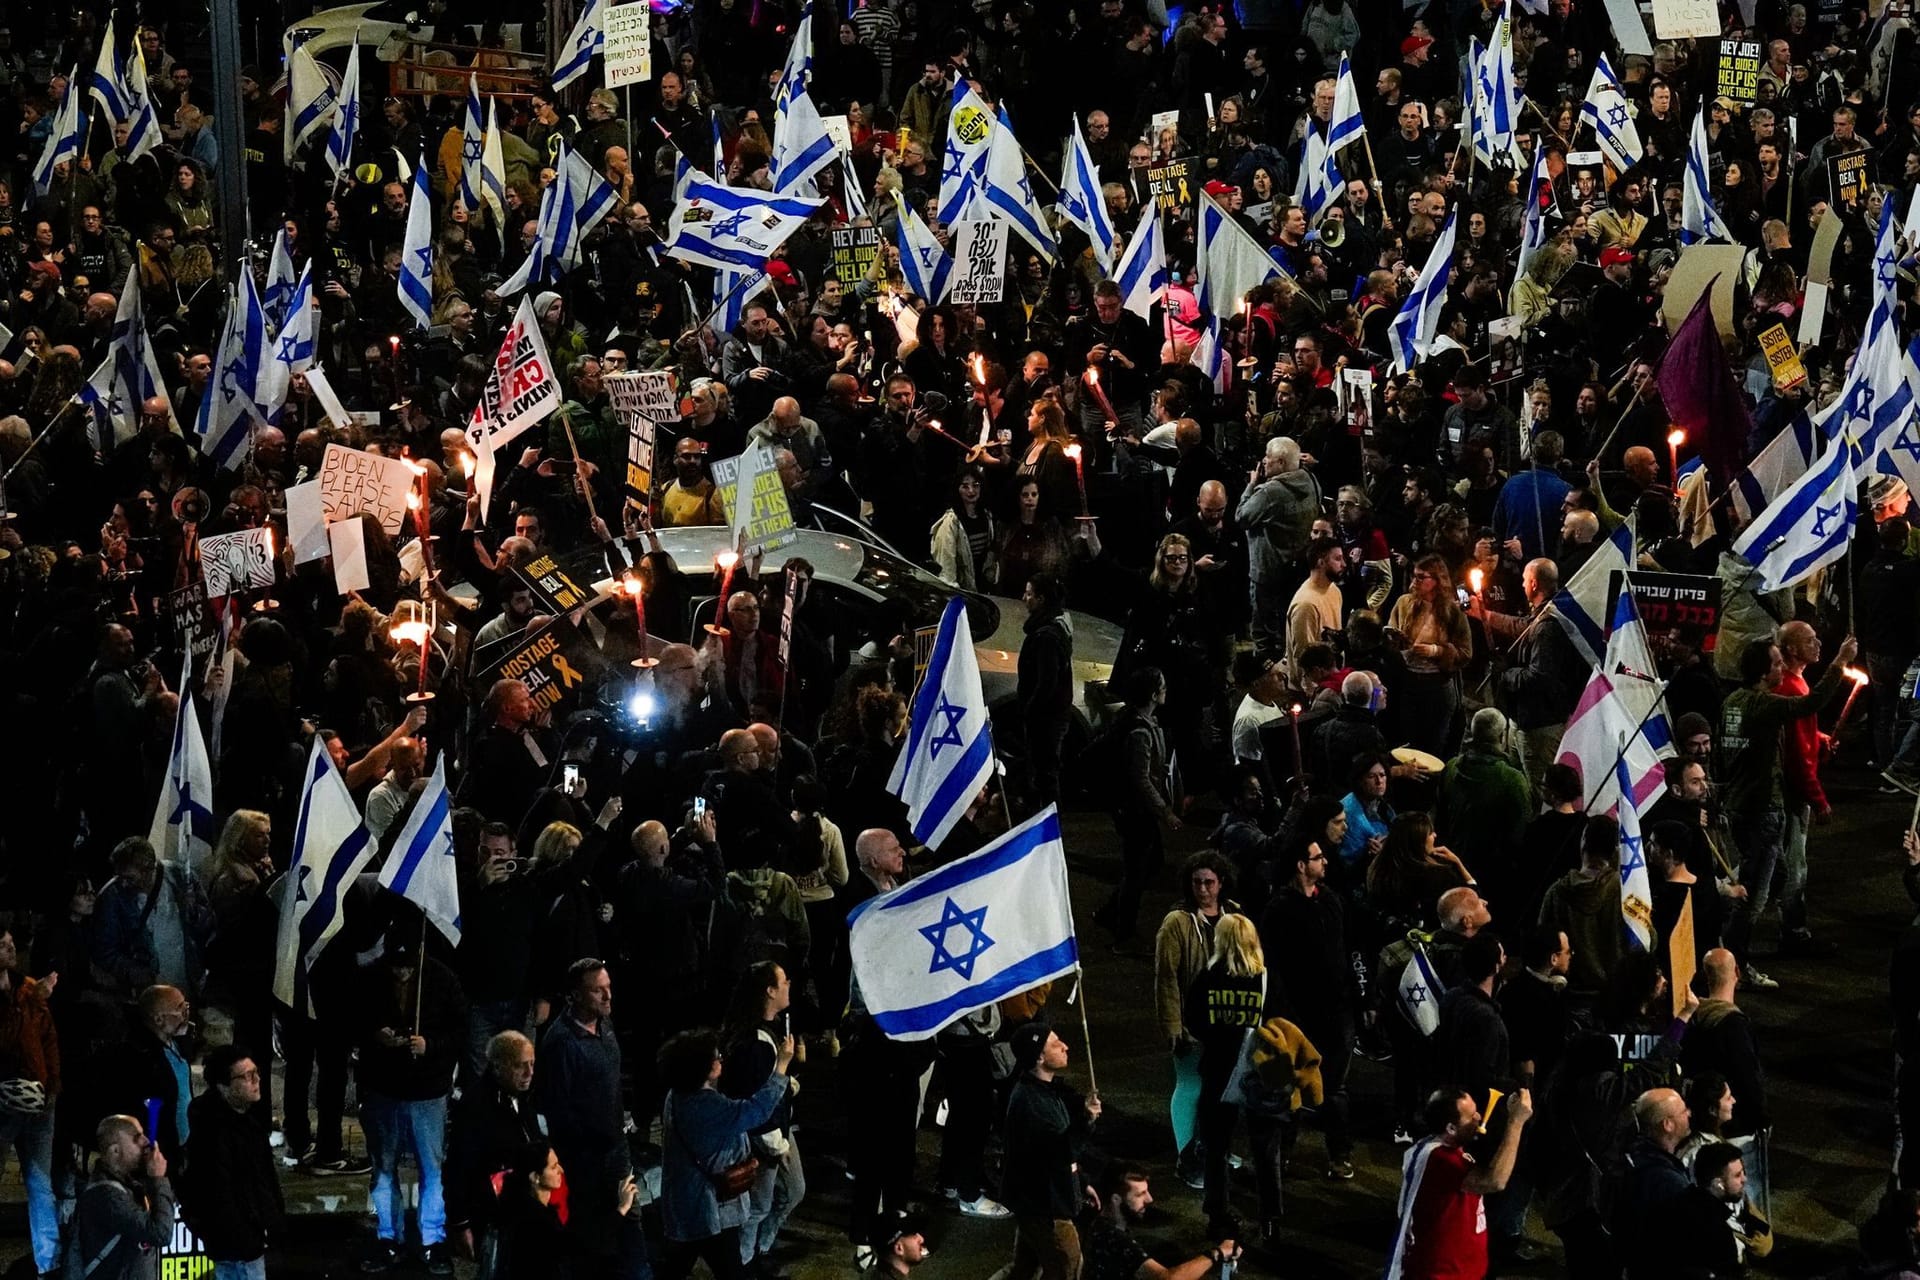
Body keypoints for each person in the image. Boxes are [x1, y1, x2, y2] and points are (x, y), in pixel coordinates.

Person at [1720, 633, 1857, 986]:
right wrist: (1840, 662)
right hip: (1763, 810)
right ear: (1764, 673)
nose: (1782, 667)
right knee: (1755, 895)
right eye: (1777, 663)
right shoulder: (1764, 704)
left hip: (1739, 805)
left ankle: (1724, 921)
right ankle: (1736, 963)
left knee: (1773, 875)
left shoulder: (1732, 702)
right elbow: (1810, 704)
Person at [355, 933, 464, 1274]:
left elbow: (460, 1029)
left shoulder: (443, 979)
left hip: (427, 1090)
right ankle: (390, 1238)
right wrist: (375, 1035)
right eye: (396, 967)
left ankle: (432, 1240)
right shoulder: (371, 977)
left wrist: (429, 1045)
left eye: (407, 967)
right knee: (383, 1168)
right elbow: (354, 1021)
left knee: (431, 1169)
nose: (401, 974)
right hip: (383, 1087)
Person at [658, 1027, 795, 1280]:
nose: (720, 1059)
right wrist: (781, 1067)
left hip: (688, 1205)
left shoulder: (676, 1096)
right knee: (727, 1270)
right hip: (708, 1208)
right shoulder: (705, 1105)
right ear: (701, 1067)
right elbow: (755, 1112)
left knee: (678, 1265)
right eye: (715, 1057)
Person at [1185, 914, 1289, 1238]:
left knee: (1216, 1147)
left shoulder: (1206, 978)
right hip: (1264, 1071)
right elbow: (1284, 1025)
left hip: (1219, 1067)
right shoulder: (1267, 979)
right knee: (1266, 1147)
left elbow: (1194, 1022)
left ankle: (1217, 1214)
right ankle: (1271, 1217)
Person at [1387, 1088, 1533, 1280]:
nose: (1479, 1117)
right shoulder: (1438, 1160)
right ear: (1451, 1128)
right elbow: (1494, 1181)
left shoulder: (1452, 1150)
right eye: (1471, 1116)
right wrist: (1516, 1123)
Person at [719, 962, 806, 1272]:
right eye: (783, 980)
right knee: (758, 1206)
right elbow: (756, 1103)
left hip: (779, 1129)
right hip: (764, 1139)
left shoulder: (772, 1027)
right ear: (769, 991)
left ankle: (762, 1246)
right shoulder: (755, 1044)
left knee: (794, 1190)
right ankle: (746, 1260)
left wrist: (787, 1078)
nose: (789, 984)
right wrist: (776, 1146)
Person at [1001, 1021, 1102, 1280]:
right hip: (1046, 1206)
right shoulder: (1032, 1104)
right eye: (1056, 1044)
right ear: (1039, 1057)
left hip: (1036, 1201)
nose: (1065, 1046)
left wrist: (1080, 1182)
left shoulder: (1042, 1092)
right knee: (1066, 1265)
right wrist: (1087, 1121)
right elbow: (1060, 1152)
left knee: (1026, 1266)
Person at [180, 1044, 284, 1280]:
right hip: (239, 1243)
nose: (257, 1080)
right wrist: (254, 1232)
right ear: (224, 1085)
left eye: (256, 1072)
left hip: (241, 1239)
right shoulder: (215, 1133)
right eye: (247, 1076)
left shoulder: (244, 1121)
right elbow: (221, 1193)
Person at [446, 1031, 543, 1276]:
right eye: (520, 1066)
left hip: (522, 1214)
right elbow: (457, 1168)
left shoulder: (521, 1098)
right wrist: (460, 1224)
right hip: (494, 1221)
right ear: (499, 1067)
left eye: (531, 1064)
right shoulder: (476, 1107)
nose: (529, 1073)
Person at [0, 927, 60, 1277]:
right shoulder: (26, 994)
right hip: (4, 1103)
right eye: (3, 945)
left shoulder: (27, 989)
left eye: (12, 943)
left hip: (38, 1103)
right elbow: (8, 1039)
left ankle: (47, 1263)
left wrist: (52, 1087)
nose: (11, 949)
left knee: (41, 1181)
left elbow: (48, 1040)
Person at [1083, 1166, 1241, 1280]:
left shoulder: (1099, 1224)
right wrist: (1217, 1253)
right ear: (1116, 1199)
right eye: (1140, 1194)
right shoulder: (1113, 1237)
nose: (1150, 1199)